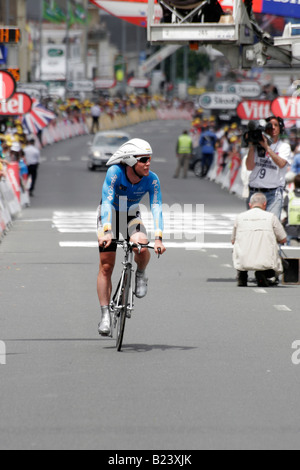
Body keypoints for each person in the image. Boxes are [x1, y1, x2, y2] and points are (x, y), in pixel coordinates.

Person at [97, 138, 166, 336]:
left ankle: (141, 273)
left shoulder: (151, 179)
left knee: (142, 245)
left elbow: (156, 207)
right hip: (108, 215)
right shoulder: (115, 173)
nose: (148, 163)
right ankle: (104, 315)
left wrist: (159, 238)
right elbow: (108, 202)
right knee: (106, 266)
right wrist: (107, 230)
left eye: (149, 159)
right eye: (143, 159)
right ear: (129, 161)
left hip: (130, 216)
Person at [232, 193, 287, 288]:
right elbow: (283, 239)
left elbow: (233, 241)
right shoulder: (271, 217)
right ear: (265, 204)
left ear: (250, 205)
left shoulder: (239, 217)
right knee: (284, 265)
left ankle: (242, 274)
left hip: (243, 260)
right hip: (265, 261)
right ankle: (264, 274)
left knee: (238, 247)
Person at [246, 116, 292, 220]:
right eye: (270, 125)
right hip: (255, 191)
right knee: (253, 226)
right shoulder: (257, 145)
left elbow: (281, 164)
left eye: (276, 125)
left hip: (273, 193)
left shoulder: (284, 146)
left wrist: (267, 147)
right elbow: (249, 167)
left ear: (281, 128)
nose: (273, 128)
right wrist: (252, 146)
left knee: (271, 226)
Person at [283, 174, 300, 246]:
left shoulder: (289, 196)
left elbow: (285, 208)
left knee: (291, 255)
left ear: (294, 184)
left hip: (290, 230)